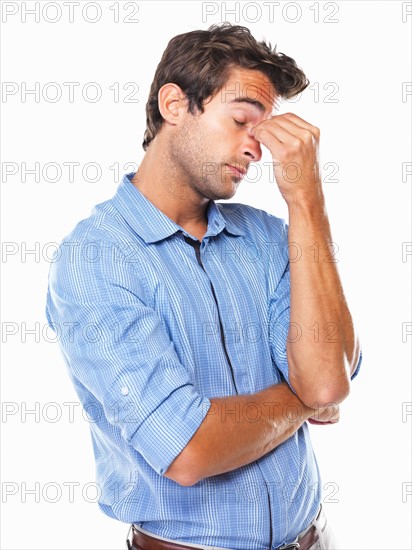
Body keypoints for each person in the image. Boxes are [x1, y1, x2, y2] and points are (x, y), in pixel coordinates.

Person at [46, 23, 362, 550]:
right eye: (241, 121)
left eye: (262, 133)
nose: (256, 150)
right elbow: (189, 449)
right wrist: (302, 400)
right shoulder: (95, 260)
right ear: (174, 103)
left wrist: (307, 202)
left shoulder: (268, 235)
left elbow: (328, 381)